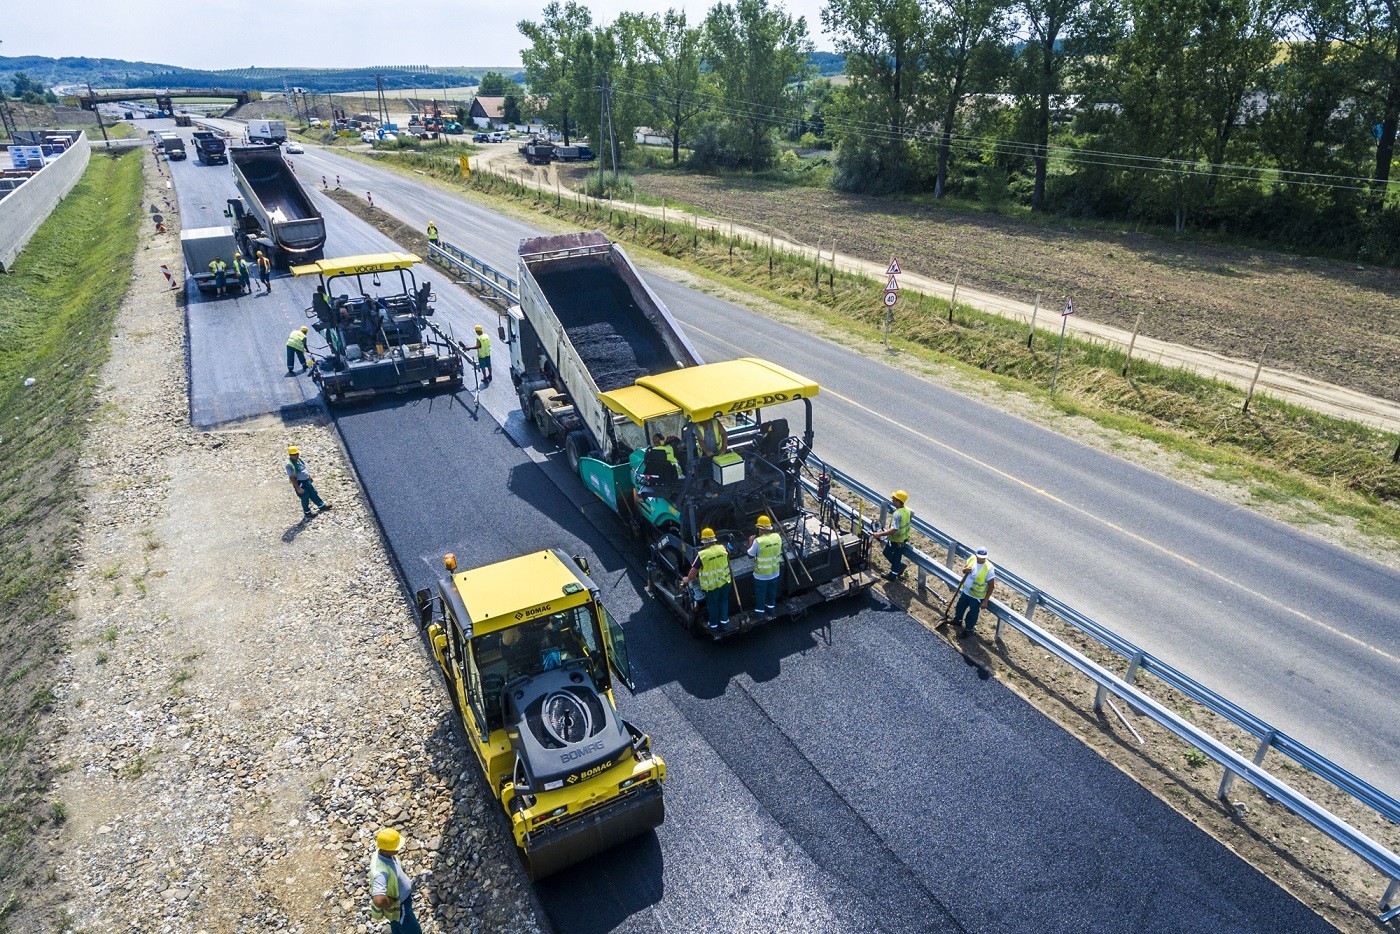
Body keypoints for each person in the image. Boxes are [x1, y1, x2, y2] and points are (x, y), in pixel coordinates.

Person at [368, 828, 421, 934]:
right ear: (385, 849)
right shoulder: (381, 872)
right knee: (412, 929)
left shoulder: (384, 853)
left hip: (402, 902)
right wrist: (391, 903)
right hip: (400, 906)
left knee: (397, 925)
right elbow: (379, 900)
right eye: (395, 847)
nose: (399, 849)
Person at [680, 528, 731, 632]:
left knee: (713, 605)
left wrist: (687, 579)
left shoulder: (702, 555)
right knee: (723, 602)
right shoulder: (723, 549)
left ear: (705, 542)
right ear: (714, 540)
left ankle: (713, 626)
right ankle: (725, 624)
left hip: (711, 587)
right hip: (725, 582)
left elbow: (693, 572)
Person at [951, 548, 997, 638]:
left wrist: (985, 601)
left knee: (972, 614)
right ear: (976, 555)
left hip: (977, 597)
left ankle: (969, 630)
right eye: (979, 557)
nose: (981, 559)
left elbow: (991, 586)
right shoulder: (972, 559)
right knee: (960, 607)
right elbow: (964, 570)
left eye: (983, 558)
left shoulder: (989, 568)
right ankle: (957, 621)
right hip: (966, 592)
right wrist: (965, 570)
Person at [871, 490, 912, 580]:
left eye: (894, 499)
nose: (892, 500)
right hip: (904, 539)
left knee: (887, 552)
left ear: (898, 501)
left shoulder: (897, 514)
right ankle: (893, 575)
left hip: (896, 540)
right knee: (897, 556)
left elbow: (894, 529)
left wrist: (879, 534)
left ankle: (899, 567)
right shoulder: (907, 510)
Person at [747, 515, 783, 618]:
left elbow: (750, 555)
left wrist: (750, 542)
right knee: (772, 592)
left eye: (759, 528)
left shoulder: (758, 541)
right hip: (775, 572)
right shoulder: (777, 537)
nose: (758, 530)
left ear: (761, 529)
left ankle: (759, 612)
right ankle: (771, 609)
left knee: (761, 594)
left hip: (761, 575)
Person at [286, 446, 332, 519]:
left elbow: (304, 469)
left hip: (307, 481)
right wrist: (298, 488)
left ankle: (321, 506)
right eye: (294, 454)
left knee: (313, 493)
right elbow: (291, 477)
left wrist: (309, 477)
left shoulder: (299, 460)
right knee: (305, 497)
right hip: (300, 483)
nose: (296, 455)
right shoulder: (289, 465)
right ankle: (307, 512)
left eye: (297, 453)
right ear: (290, 455)